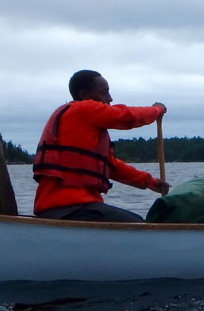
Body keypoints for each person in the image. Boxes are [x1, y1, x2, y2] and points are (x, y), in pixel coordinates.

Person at [32, 70, 170, 222]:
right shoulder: (83, 109)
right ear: (84, 95)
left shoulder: (84, 124)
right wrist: (156, 110)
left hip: (70, 207)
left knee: (137, 221)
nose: (110, 98)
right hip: (69, 207)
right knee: (138, 226)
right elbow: (126, 116)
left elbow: (111, 166)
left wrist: (150, 182)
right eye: (104, 92)